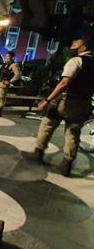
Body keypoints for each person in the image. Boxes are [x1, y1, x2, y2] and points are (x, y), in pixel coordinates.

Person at [33, 33, 94, 177]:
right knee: (73, 133)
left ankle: (38, 153)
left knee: (47, 124)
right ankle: (66, 164)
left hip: (67, 101)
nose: (72, 45)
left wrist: (47, 101)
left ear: (83, 46)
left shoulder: (76, 61)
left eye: (75, 42)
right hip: (83, 102)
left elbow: (64, 83)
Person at [0, 51, 21, 116]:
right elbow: (0, 71)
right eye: (6, 56)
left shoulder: (14, 64)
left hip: (4, 83)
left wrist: (10, 81)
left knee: (1, 98)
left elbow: (17, 75)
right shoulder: (5, 64)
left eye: (8, 56)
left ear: (12, 57)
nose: (7, 57)